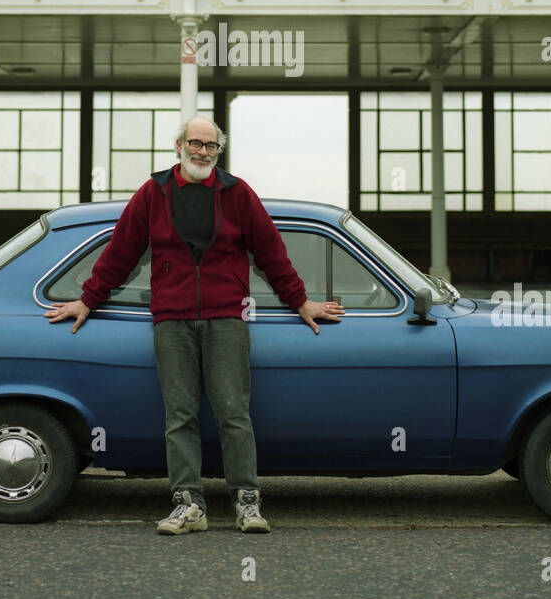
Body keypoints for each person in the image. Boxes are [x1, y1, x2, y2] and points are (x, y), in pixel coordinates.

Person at [44, 115, 344, 534]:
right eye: (195, 143)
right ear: (179, 145)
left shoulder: (237, 194)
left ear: (218, 151)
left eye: (211, 146)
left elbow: (271, 252)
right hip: (172, 320)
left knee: (234, 413)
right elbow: (122, 252)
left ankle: (247, 501)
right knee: (179, 417)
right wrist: (88, 299)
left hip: (226, 318)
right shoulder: (154, 193)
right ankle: (189, 506)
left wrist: (300, 302)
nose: (203, 151)